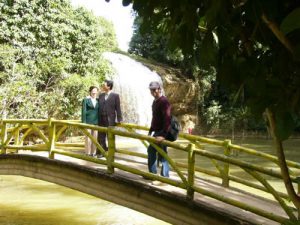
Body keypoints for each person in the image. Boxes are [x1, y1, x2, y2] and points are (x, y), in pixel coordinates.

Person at [147, 81, 171, 177]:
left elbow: (167, 119)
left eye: (154, 89)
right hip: (157, 132)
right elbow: (155, 118)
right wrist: (150, 131)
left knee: (161, 153)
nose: (153, 91)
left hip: (162, 133)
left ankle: (164, 175)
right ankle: (155, 173)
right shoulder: (155, 102)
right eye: (151, 90)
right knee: (156, 151)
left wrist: (163, 135)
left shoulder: (164, 102)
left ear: (159, 89)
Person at [97, 79, 123, 157]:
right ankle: (102, 152)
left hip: (110, 119)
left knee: (110, 136)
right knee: (101, 136)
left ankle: (111, 153)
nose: (102, 86)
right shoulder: (101, 95)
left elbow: (118, 108)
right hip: (101, 119)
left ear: (109, 86)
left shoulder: (115, 96)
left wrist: (119, 119)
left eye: (104, 85)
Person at [81, 86, 99, 157]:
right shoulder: (86, 100)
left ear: (97, 92)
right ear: (90, 91)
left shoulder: (98, 100)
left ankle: (93, 152)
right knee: (88, 138)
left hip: (96, 122)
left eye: (95, 91)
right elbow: (83, 111)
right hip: (88, 121)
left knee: (95, 138)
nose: (94, 92)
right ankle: (87, 153)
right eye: (93, 91)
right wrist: (83, 123)